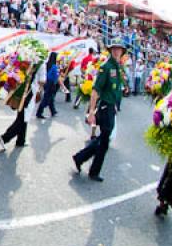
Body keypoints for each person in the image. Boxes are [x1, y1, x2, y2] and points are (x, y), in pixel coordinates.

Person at [71, 38, 126, 182]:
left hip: (111, 107)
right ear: (110, 50)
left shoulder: (117, 67)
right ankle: (90, 167)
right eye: (114, 49)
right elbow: (96, 91)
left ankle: (82, 159)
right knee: (104, 140)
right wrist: (91, 112)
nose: (116, 51)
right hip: (104, 107)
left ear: (122, 52)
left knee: (103, 140)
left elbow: (114, 90)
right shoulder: (106, 67)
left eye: (118, 49)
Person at [0, 56, 47, 149]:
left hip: (19, 89)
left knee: (22, 115)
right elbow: (42, 80)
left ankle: (21, 140)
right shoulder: (41, 62)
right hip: (29, 92)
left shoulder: (24, 57)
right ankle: (5, 137)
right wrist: (40, 90)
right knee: (23, 117)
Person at [36, 52, 59, 118]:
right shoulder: (54, 66)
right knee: (47, 98)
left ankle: (53, 111)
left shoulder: (47, 64)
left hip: (46, 82)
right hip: (51, 83)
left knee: (50, 97)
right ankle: (39, 112)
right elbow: (55, 77)